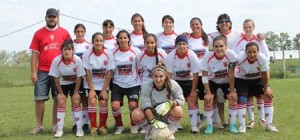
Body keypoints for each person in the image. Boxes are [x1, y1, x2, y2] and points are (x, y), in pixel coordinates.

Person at [29, 8, 71, 134]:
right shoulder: (38, 33)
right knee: (39, 98)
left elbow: (69, 51)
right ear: (46, 18)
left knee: (58, 98)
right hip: (42, 71)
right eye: (50, 17)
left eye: (54, 17)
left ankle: (54, 124)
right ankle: (39, 126)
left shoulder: (64, 33)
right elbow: (34, 54)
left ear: (57, 18)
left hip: (59, 71)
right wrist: (33, 72)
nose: (52, 19)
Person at [232, 19, 270, 129]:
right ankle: (251, 120)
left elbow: (265, 55)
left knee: (260, 96)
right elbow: (235, 58)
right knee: (248, 97)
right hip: (245, 76)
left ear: (254, 27)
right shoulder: (238, 41)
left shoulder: (259, 39)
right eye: (246, 27)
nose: (248, 29)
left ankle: (262, 119)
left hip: (258, 73)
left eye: (250, 27)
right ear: (243, 28)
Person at [207, 14, 243, 128]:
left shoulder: (237, 34)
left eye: (226, 21)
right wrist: (186, 34)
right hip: (217, 73)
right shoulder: (211, 35)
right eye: (221, 22)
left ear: (230, 23)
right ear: (217, 24)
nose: (224, 23)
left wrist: (259, 36)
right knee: (219, 98)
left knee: (235, 96)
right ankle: (222, 121)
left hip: (233, 72)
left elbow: (249, 35)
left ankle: (235, 122)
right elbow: (198, 35)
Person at [131, 64, 184, 140]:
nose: (158, 79)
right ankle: (149, 130)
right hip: (152, 114)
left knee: (178, 110)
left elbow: (181, 100)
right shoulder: (146, 86)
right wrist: (153, 121)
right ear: (152, 76)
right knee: (136, 114)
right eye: (155, 76)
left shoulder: (173, 84)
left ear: (165, 76)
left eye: (161, 76)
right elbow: (146, 107)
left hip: (167, 115)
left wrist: (170, 104)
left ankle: (169, 131)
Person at [235, 42, 278, 132]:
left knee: (268, 97)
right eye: (249, 52)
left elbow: (265, 75)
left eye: (255, 52)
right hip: (242, 79)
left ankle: (269, 124)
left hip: (258, 79)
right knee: (242, 99)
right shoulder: (239, 58)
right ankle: (242, 125)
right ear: (245, 52)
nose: (252, 54)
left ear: (258, 51)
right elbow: (231, 72)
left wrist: (266, 88)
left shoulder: (262, 58)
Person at [49, 39, 86, 137]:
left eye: (69, 49)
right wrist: (60, 93)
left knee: (76, 101)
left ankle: (79, 129)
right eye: (65, 49)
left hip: (75, 83)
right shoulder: (57, 60)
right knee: (61, 102)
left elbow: (79, 77)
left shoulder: (77, 60)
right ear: (62, 50)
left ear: (73, 51)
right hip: (62, 84)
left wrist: (76, 92)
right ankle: (59, 130)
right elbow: (55, 77)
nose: (67, 51)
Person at [201, 35, 238, 134]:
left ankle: (232, 125)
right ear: (213, 47)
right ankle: (209, 126)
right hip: (212, 81)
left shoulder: (231, 55)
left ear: (226, 46)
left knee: (233, 97)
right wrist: (208, 93)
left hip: (226, 81)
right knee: (208, 99)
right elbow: (204, 76)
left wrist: (232, 91)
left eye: (221, 46)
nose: (219, 49)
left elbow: (231, 74)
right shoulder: (207, 57)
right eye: (216, 46)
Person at [165, 35, 200, 133]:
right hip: (175, 82)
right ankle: (174, 124)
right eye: (179, 44)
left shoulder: (192, 55)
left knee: (191, 100)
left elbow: (196, 74)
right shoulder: (171, 56)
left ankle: (194, 126)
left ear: (187, 45)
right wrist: (169, 91)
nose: (182, 46)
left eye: (184, 44)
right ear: (176, 45)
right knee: (173, 102)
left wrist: (193, 90)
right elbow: (169, 75)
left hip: (189, 80)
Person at [82, 32, 114, 135]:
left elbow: (109, 72)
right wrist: (91, 90)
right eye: (97, 40)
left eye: (101, 41)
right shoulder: (87, 53)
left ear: (103, 42)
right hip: (90, 84)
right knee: (91, 101)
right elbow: (86, 72)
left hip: (103, 84)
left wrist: (104, 90)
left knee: (103, 102)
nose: (99, 43)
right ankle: (94, 128)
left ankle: (103, 127)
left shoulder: (108, 53)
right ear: (93, 42)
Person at [111, 30, 141, 134]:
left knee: (133, 105)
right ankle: (120, 126)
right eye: (120, 38)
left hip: (133, 84)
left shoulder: (136, 51)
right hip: (117, 83)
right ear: (117, 40)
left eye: (125, 38)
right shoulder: (112, 52)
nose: (123, 40)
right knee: (115, 106)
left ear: (129, 39)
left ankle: (134, 126)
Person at [187, 17, 210, 132]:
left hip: (206, 74)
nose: (195, 26)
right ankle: (197, 121)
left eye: (197, 24)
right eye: (193, 24)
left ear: (201, 25)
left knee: (209, 98)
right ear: (190, 26)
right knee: (193, 98)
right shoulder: (187, 38)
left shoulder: (208, 38)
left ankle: (212, 121)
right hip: (194, 75)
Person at [72, 23, 91, 134]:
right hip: (74, 77)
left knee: (85, 100)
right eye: (78, 31)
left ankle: (85, 124)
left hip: (85, 77)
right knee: (75, 100)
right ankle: (76, 124)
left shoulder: (89, 45)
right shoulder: (71, 44)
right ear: (74, 32)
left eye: (82, 32)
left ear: (84, 32)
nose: (80, 33)